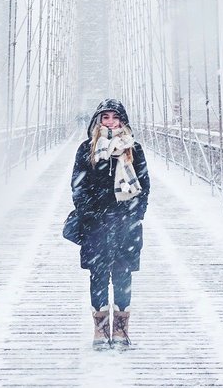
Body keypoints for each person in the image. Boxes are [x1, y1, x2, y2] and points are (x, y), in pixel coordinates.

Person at [70, 98, 150, 350]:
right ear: (98, 121)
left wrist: (134, 215)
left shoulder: (133, 149)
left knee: (123, 276)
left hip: (126, 225)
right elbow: (78, 187)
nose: (110, 122)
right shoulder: (87, 149)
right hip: (96, 226)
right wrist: (89, 214)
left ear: (122, 121)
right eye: (105, 117)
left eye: (115, 117)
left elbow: (144, 187)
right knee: (98, 276)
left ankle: (120, 331)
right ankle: (100, 331)